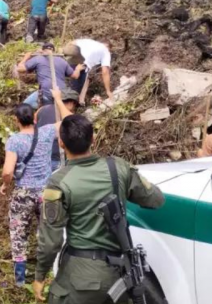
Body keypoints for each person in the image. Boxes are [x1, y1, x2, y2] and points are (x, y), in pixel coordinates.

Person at [32, 88, 165, 303]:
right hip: (120, 276)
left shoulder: (59, 181)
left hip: (79, 278)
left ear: (61, 143)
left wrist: (39, 275)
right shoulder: (118, 167)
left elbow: (51, 240)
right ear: (92, 139)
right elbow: (155, 199)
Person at [0, 104, 56, 287]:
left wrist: (5, 184)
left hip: (23, 192)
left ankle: (20, 279)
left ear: (16, 120)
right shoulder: (47, 132)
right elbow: (67, 122)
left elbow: (8, 171)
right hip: (46, 192)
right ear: (34, 118)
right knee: (46, 233)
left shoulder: (14, 141)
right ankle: (46, 274)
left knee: (19, 233)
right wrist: (57, 100)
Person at [17, 43, 83, 108]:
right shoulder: (62, 61)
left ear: (43, 51)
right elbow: (75, 76)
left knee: (25, 105)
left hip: (46, 93)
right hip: (62, 94)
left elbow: (20, 69)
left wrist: (26, 57)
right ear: (54, 51)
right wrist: (78, 69)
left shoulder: (38, 58)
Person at [35, 87, 80, 171]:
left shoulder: (41, 109)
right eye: (75, 106)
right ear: (71, 103)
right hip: (56, 158)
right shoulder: (69, 116)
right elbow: (72, 121)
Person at [63, 38, 113, 105]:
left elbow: (73, 42)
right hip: (79, 54)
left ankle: (76, 100)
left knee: (78, 80)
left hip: (72, 51)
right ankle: (76, 101)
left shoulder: (91, 43)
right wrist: (108, 91)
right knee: (83, 80)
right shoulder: (105, 51)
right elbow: (105, 72)